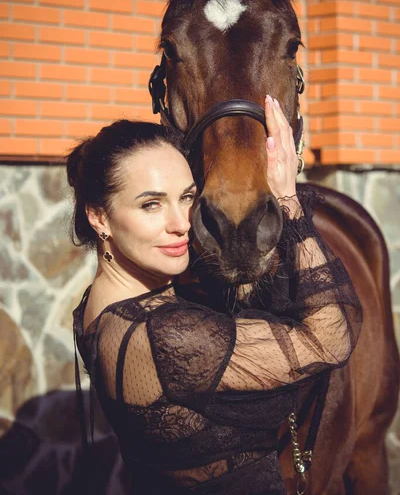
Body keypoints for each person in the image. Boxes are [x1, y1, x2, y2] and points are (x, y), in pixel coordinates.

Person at [69, 96, 362, 495]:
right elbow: (329, 339)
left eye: (187, 198)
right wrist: (289, 200)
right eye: (151, 204)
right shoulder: (167, 336)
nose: (180, 224)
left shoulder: (100, 306)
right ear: (99, 216)